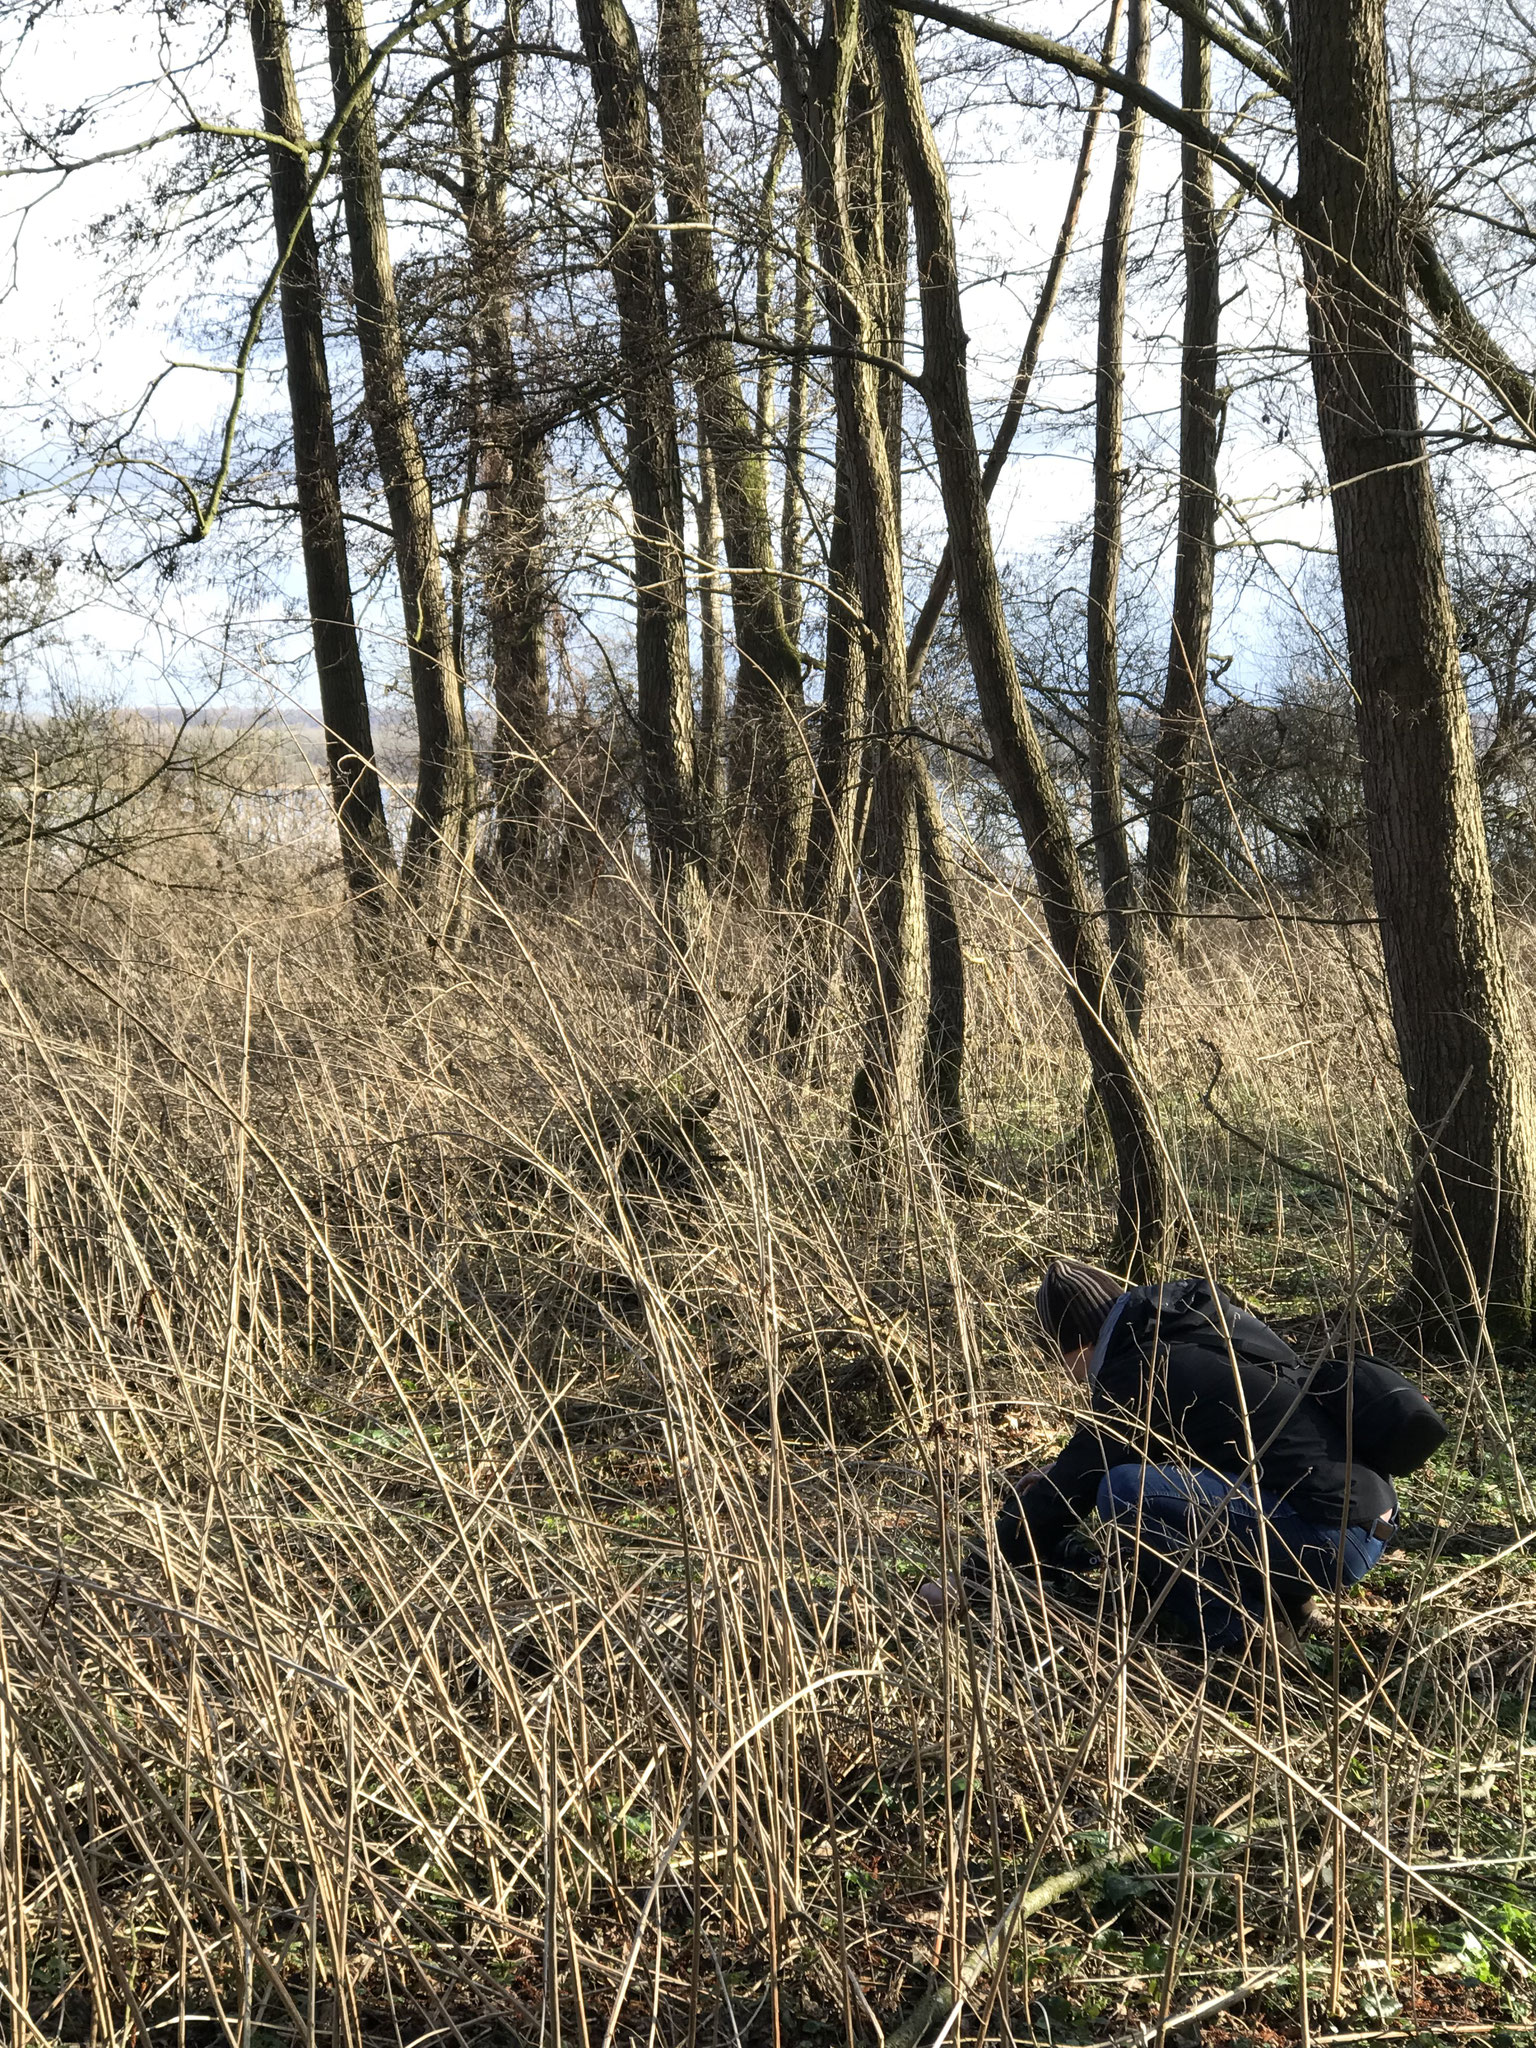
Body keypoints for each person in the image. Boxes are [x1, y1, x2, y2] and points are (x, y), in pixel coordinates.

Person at [992, 1259, 1402, 1652]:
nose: (1064, 1372)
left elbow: (1072, 1491)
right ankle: (1285, 1609)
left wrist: (977, 1573)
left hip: (1330, 1535)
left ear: (1077, 1342)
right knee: (1167, 1484)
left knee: (1125, 1492)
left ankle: (1244, 1643)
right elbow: (1185, 1448)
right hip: (1364, 1516)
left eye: (1056, 1354)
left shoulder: (1140, 1366)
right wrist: (1062, 1468)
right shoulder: (1192, 1332)